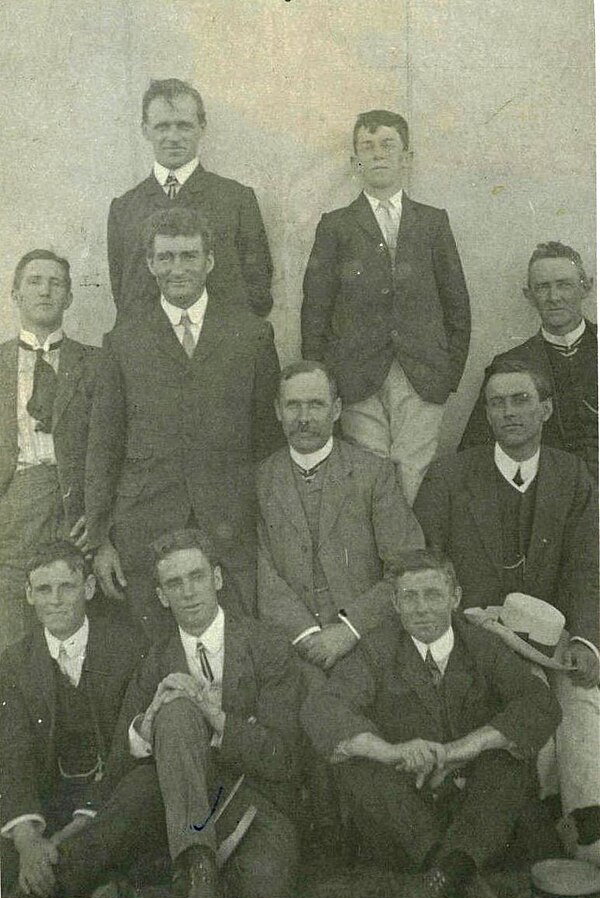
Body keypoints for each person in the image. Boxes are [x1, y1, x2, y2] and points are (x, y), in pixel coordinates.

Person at [52, 529, 301, 898]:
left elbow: (283, 757)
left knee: (263, 885)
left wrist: (214, 715)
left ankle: (134, 877)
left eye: (196, 577)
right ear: (162, 596)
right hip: (175, 796)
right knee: (174, 707)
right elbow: (119, 760)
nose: (188, 592)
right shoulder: (155, 660)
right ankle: (201, 878)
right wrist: (150, 719)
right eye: (174, 583)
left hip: (248, 799)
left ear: (217, 579)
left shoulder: (265, 644)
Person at [302, 549, 560, 898]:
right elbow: (322, 708)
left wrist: (460, 750)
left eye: (433, 594)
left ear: (455, 597)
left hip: (473, 811)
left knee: (510, 759)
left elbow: (540, 704)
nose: (421, 608)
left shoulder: (482, 644)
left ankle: (435, 884)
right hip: (408, 817)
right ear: (394, 602)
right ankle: (460, 877)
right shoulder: (377, 648)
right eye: (409, 596)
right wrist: (393, 752)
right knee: (356, 762)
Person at [414, 361, 600, 865]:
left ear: (546, 409)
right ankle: (533, 830)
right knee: (526, 699)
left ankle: (589, 829)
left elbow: (587, 567)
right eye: (497, 402)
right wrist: (460, 622)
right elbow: (425, 564)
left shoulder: (572, 475)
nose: (509, 412)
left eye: (521, 400)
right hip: (476, 637)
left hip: (553, 635)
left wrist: (584, 639)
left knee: (581, 696)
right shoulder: (451, 475)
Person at [86, 207, 282, 639]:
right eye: (168, 257)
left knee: (238, 643)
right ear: (151, 264)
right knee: (152, 649)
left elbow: (268, 442)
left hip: (231, 523)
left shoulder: (250, 335)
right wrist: (101, 538)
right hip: (145, 523)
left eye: (189, 256)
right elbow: (104, 445)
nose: (179, 268)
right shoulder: (122, 342)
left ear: (209, 261)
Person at [301, 110, 471, 503]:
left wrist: (448, 373)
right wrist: (321, 381)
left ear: (407, 157)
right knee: (369, 467)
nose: (378, 155)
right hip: (357, 374)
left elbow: (456, 304)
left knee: (414, 467)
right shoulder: (336, 225)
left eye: (388, 145)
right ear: (354, 162)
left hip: (422, 373)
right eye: (367, 147)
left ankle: (404, 562)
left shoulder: (432, 222)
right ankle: (385, 560)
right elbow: (316, 310)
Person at [257, 360, 424, 674]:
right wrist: (306, 635)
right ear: (278, 410)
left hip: (368, 645)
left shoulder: (373, 473)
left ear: (336, 410)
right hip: (292, 649)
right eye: (293, 406)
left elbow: (407, 565)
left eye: (316, 405)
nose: (304, 419)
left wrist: (351, 629)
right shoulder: (262, 480)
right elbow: (263, 575)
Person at [0, 541, 143, 898]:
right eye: (44, 590)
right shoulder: (14, 661)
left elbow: (125, 751)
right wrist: (30, 841)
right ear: (29, 594)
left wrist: (64, 837)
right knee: (16, 832)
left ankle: (46, 881)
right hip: (48, 797)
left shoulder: (126, 646)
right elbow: (14, 752)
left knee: (144, 790)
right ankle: (94, 878)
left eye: (67, 587)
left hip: (106, 795)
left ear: (89, 588)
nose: (56, 600)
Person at [107, 78, 273, 320]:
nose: (173, 137)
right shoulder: (124, 209)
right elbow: (124, 296)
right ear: (145, 130)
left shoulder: (236, 200)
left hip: (221, 348)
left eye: (183, 126)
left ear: (202, 127)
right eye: (162, 127)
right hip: (148, 350)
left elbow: (259, 290)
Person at [0, 250, 98, 653]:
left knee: (77, 616)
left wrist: (99, 513)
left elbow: (108, 444)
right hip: (16, 507)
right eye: (34, 282)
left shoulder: (94, 363)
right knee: (14, 623)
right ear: (15, 294)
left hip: (75, 509)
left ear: (70, 297)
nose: (45, 291)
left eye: (56, 283)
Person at [460, 242, 598, 481]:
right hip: (547, 491)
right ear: (529, 296)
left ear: (587, 287)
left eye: (564, 285)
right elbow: (475, 450)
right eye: (543, 287)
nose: (554, 297)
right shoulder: (510, 364)